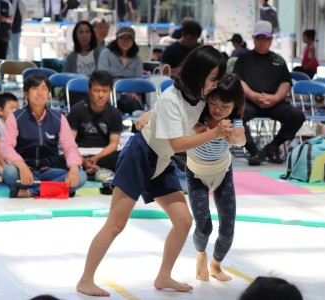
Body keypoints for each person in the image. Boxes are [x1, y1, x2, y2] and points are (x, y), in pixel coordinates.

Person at [76, 45, 228, 297]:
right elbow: (177, 143)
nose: (215, 84)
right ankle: (85, 279)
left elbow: (181, 124)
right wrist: (213, 133)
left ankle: (164, 276)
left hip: (161, 160)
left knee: (183, 221)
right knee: (116, 224)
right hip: (140, 155)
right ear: (198, 74)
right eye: (213, 79)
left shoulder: (198, 97)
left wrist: (151, 113)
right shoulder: (172, 98)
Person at [187, 74, 245, 282]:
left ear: (235, 105)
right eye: (213, 103)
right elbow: (190, 129)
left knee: (228, 230)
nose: (218, 110)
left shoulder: (233, 121)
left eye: (225, 106)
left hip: (223, 174)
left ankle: (216, 264)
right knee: (203, 227)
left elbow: (241, 139)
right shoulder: (197, 115)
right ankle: (200, 254)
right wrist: (204, 130)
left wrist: (229, 135)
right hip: (196, 174)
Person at [0, 73, 87, 198]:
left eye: (44, 88)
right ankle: (57, 189)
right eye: (35, 88)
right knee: (9, 172)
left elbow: (70, 148)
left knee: (81, 176)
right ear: (26, 94)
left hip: (50, 172)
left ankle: (29, 192)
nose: (40, 93)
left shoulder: (59, 118)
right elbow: (6, 147)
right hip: (25, 171)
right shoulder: (15, 117)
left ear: (49, 93)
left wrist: (73, 168)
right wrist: (22, 166)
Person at [233, 20, 305, 166]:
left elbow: (286, 83)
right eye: (258, 38)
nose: (262, 41)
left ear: (271, 39)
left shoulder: (279, 60)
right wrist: (253, 95)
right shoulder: (243, 59)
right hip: (250, 101)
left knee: (297, 116)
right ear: (253, 39)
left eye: (265, 38)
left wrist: (275, 98)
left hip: (275, 102)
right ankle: (253, 151)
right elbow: (238, 81)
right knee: (235, 116)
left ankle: (271, 147)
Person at [62, 70, 122, 181]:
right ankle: (96, 170)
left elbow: (114, 143)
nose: (101, 95)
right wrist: (82, 160)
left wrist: (97, 158)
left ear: (110, 92)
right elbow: (69, 142)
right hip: (79, 152)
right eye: (97, 90)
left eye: (105, 91)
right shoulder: (77, 109)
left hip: (103, 154)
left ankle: (91, 169)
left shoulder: (115, 114)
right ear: (89, 91)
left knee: (124, 156)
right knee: (59, 158)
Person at [97, 26, 144, 115]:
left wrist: (133, 90)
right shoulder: (106, 53)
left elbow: (139, 80)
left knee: (135, 105)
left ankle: (137, 127)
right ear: (117, 39)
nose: (125, 41)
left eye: (129, 39)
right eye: (122, 38)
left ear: (133, 41)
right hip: (110, 92)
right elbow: (103, 75)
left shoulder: (137, 59)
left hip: (130, 93)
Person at [0, 92, 18, 177]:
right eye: (12, 108)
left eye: (17, 108)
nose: (15, 111)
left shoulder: (18, 124)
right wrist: (5, 167)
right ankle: (5, 173)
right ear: (0, 111)